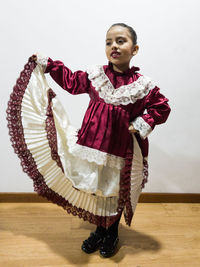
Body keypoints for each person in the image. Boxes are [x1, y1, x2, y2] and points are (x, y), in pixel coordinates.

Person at [7, 23, 171, 258]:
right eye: (108, 42)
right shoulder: (96, 76)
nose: (114, 45)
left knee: (114, 192)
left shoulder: (142, 85)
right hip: (92, 146)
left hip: (121, 151)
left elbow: (162, 107)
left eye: (120, 41)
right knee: (97, 190)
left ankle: (111, 232)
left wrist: (142, 122)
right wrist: (48, 64)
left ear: (134, 49)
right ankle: (99, 229)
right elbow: (71, 81)